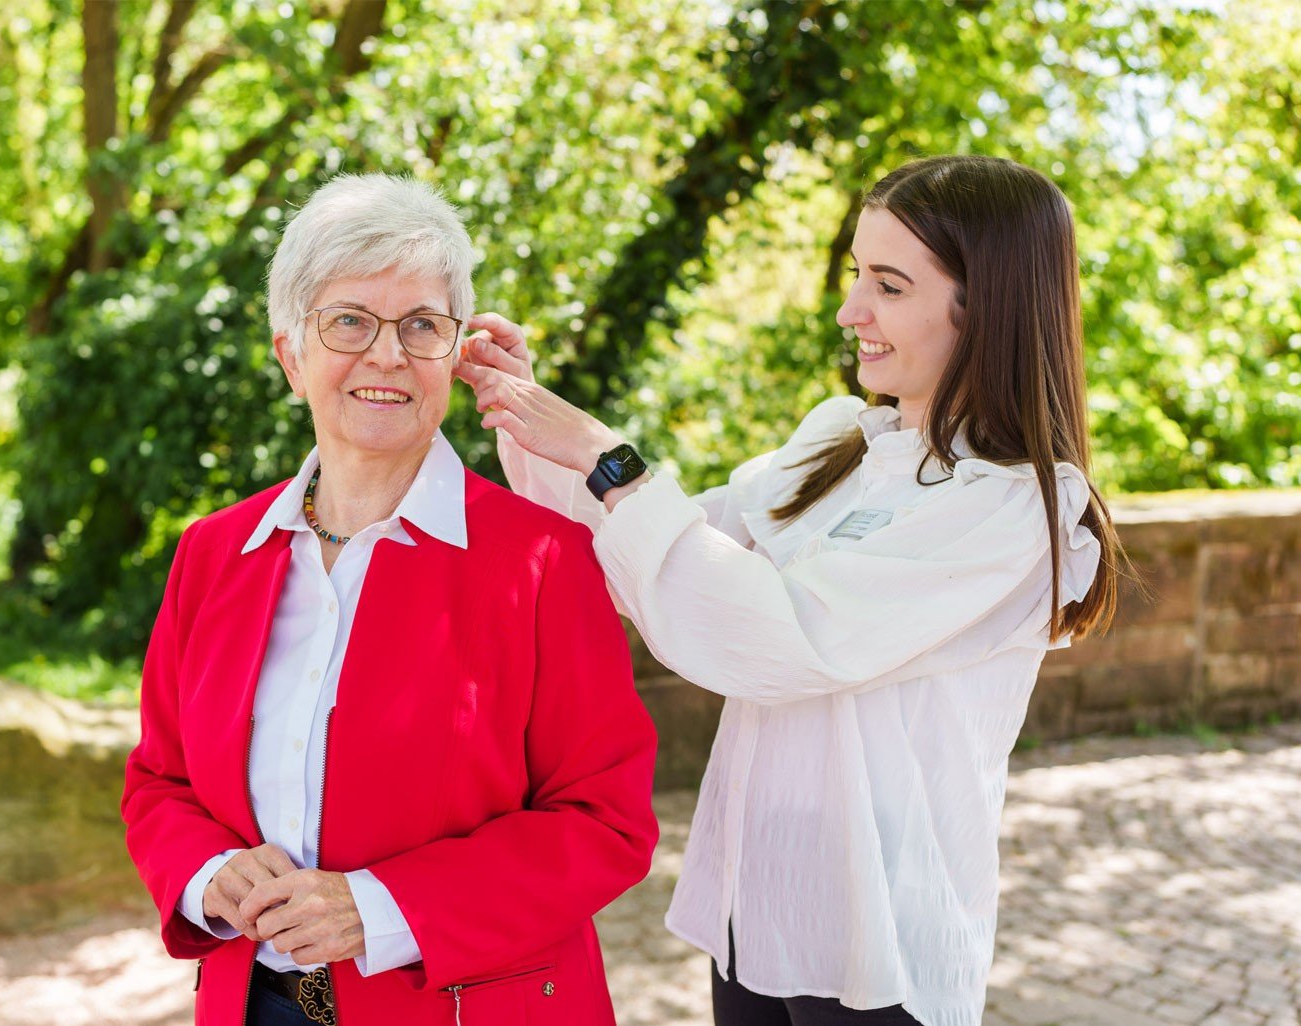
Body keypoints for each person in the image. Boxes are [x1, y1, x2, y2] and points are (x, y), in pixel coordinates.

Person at [457, 155, 1126, 1026]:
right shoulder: (836, 442)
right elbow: (649, 563)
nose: (852, 311)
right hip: (759, 903)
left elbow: (786, 637)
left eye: (888, 284)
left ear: (987, 307)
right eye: (858, 275)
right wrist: (530, 416)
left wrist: (607, 459)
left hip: (878, 938)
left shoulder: (1010, 508)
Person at [119, 174, 658, 1026]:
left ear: (456, 351)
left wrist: (374, 909)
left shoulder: (546, 559)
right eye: (348, 321)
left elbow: (605, 822)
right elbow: (159, 781)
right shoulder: (211, 554)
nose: (386, 354)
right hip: (251, 1004)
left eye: (420, 325)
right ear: (291, 355)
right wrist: (202, 874)